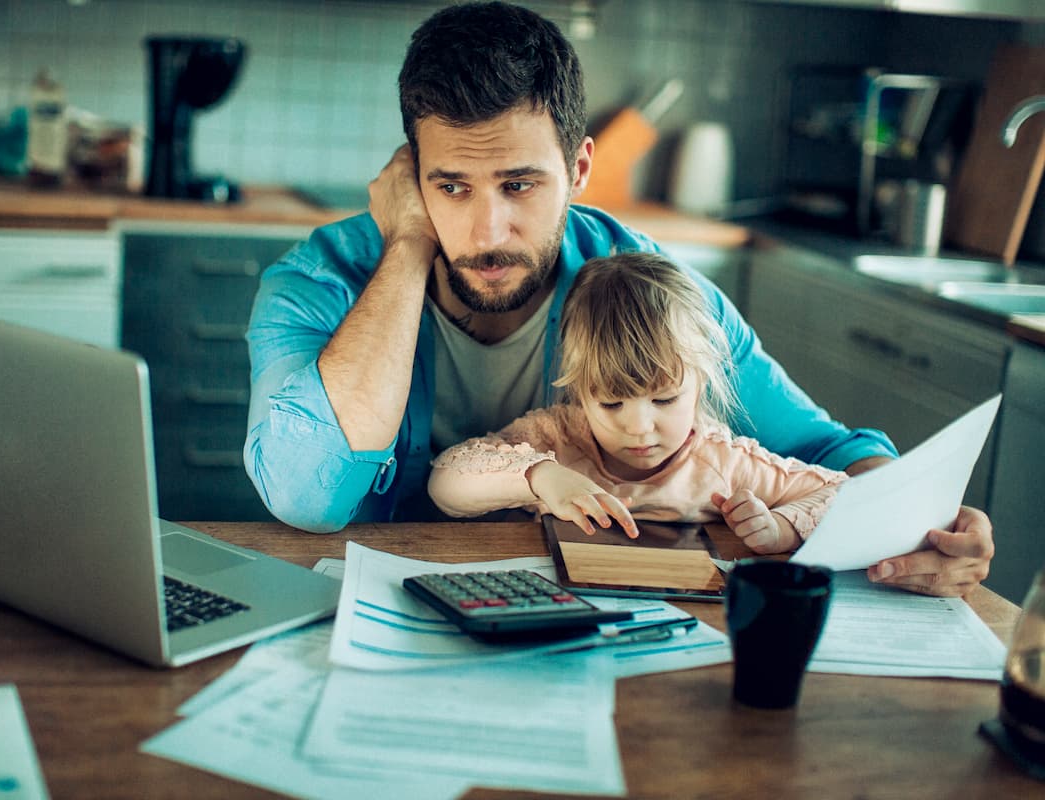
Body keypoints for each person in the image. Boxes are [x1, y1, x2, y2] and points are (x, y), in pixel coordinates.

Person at [244, 1, 993, 596]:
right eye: (451, 186)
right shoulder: (321, 280)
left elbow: (828, 451)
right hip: (371, 609)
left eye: (519, 184)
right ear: (411, 176)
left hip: (581, 617)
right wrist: (407, 247)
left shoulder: (642, 287)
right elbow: (306, 494)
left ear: (578, 169)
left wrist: (917, 526)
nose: (486, 231)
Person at [428, 252, 848, 555]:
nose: (640, 427)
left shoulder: (724, 462)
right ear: (580, 390)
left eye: (664, 399)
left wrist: (781, 528)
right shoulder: (557, 437)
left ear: (701, 383)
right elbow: (444, 484)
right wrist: (540, 477)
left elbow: (843, 494)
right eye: (611, 404)